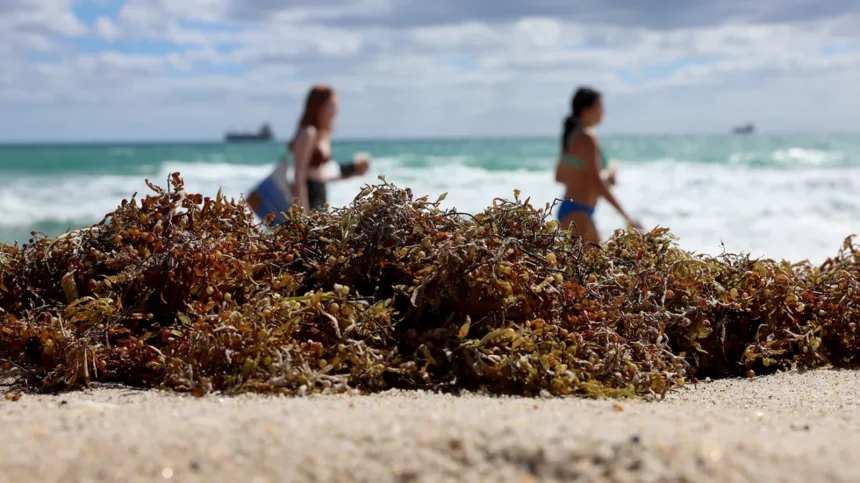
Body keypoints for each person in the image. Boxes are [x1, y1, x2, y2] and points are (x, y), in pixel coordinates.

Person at [247, 84, 370, 223]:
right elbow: (299, 175)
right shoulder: (308, 133)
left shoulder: (321, 134)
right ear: (319, 106)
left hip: (319, 193)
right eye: (331, 105)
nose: (336, 111)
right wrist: (304, 214)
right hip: (308, 196)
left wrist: (352, 174)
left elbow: (319, 175)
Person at [554, 87, 640, 243]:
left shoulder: (572, 136)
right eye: (599, 107)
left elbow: (559, 176)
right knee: (598, 257)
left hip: (572, 210)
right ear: (585, 110)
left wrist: (604, 175)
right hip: (578, 212)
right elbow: (596, 182)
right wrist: (626, 216)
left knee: (592, 257)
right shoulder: (587, 138)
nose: (603, 112)